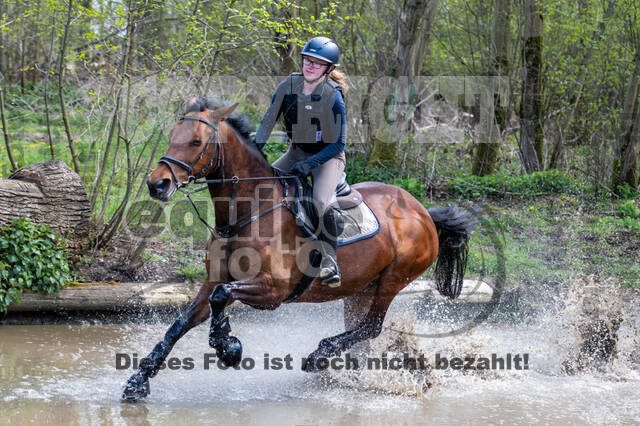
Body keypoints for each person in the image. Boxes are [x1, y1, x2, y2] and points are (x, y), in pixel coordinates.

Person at [254, 36, 348, 288]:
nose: (310, 66)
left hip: (327, 158)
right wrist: (254, 152)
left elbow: (339, 144)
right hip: (296, 152)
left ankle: (329, 261)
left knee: (319, 202)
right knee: (260, 186)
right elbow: (267, 122)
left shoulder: (333, 97)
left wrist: (309, 164)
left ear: (329, 69)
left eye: (318, 64)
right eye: (308, 60)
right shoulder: (289, 84)